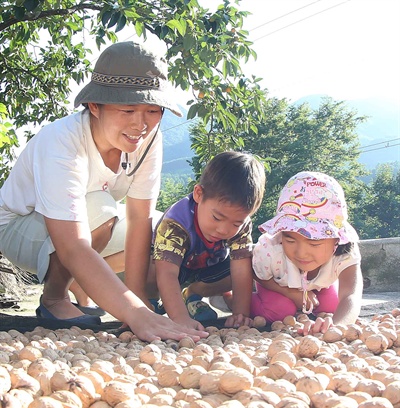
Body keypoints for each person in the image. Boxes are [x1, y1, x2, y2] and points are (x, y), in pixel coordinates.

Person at [0, 41, 207, 343]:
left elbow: (140, 219)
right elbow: (72, 245)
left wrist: (138, 302)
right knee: (100, 207)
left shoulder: (147, 140)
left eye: (152, 110)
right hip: (19, 227)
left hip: (89, 227)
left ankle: (85, 284)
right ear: (94, 106)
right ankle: (55, 299)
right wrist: (134, 314)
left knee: (169, 234)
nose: (141, 124)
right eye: (127, 109)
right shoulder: (61, 142)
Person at [151, 151, 266, 330]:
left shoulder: (241, 225)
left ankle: (192, 294)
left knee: (252, 266)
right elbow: (166, 274)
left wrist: (240, 315)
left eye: (236, 223)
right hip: (171, 265)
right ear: (198, 194)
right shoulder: (175, 223)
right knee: (150, 270)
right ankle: (151, 301)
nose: (224, 230)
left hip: (210, 267)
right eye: (217, 218)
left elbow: (241, 271)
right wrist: (180, 319)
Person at [251, 171, 363, 334]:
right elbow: (258, 274)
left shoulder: (345, 252)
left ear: (336, 239)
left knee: (334, 306)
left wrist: (336, 328)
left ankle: (303, 308)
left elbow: (351, 295)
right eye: (290, 240)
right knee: (280, 311)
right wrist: (291, 293)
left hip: (318, 287)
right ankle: (230, 298)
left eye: (314, 243)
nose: (301, 253)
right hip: (276, 285)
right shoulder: (271, 249)